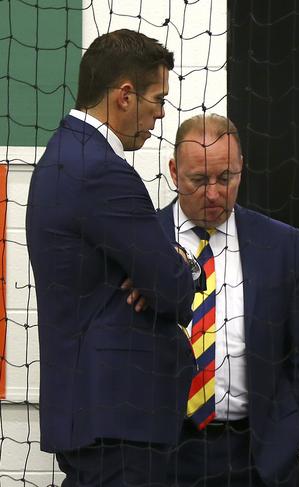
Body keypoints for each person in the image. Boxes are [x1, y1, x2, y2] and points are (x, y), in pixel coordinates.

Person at [26, 29, 201, 486]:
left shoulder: (63, 156)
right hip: (120, 420)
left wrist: (165, 266)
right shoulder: (101, 170)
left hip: (99, 416)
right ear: (125, 95)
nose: (162, 114)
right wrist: (175, 266)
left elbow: (160, 274)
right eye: (157, 99)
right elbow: (174, 288)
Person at [159, 113, 299, 487]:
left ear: (241, 168)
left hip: (257, 456)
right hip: (163, 456)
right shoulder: (143, 241)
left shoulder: (281, 244)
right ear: (173, 171)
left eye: (226, 177)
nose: (215, 193)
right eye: (199, 180)